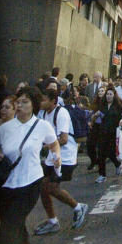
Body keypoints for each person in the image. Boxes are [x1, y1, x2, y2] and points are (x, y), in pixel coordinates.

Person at [0, 87, 60, 244]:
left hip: (30, 183)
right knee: (17, 226)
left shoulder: (42, 126)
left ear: (33, 104)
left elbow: (54, 143)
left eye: (24, 101)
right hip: (6, 184)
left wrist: (56, 156)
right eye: (18, 102)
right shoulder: (4, 128)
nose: (19, 105)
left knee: (8, 229)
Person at [34, 88, 89, 235]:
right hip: (52, 156)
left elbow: (63, 139)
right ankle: (52, 220)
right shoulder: (43, 113)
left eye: (44, 99)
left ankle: (78, 207)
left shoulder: (61, 113)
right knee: (42, 186)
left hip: (66, 157)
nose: (41, 102)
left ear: (52, 101)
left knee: (51, 187)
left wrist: (45, 146)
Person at [94, 86, 122, 183]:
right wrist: (94, 116)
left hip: (114, 132)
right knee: (101, 153)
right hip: (103, 131)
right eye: (107, 94)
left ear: (114, 95)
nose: (108, 96)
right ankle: (102, 175)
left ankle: (117, 164)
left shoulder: (118, 105)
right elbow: (100, 113)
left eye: (110, 94)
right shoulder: (103, 105)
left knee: (111, 152)